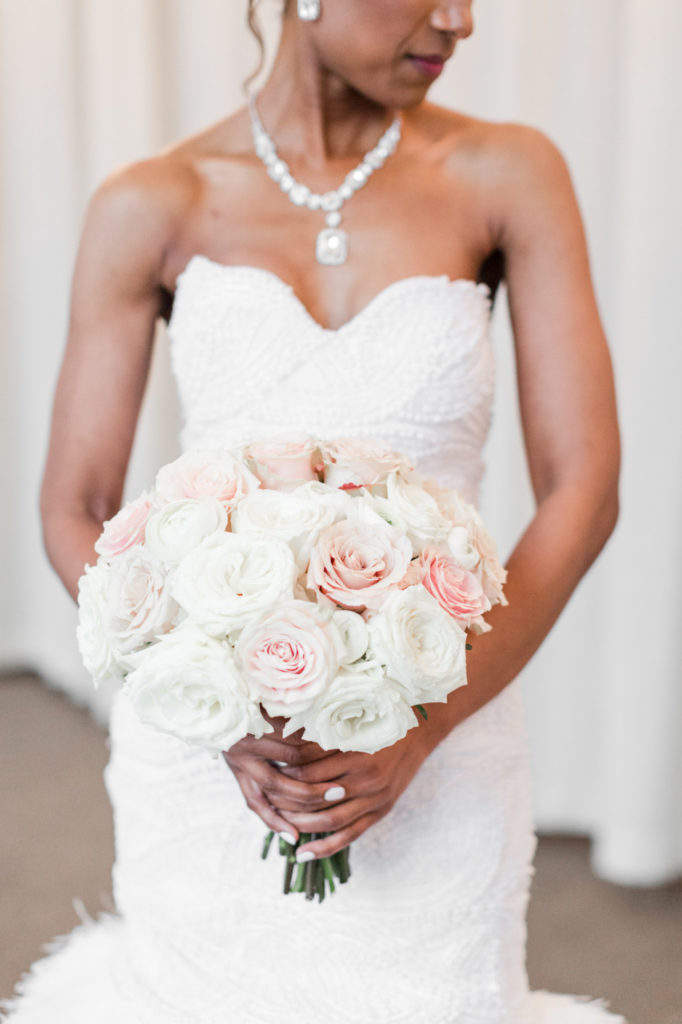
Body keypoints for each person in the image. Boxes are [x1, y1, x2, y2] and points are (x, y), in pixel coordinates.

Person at [3, 1, 623, 1021]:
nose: (458, 18)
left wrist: (422, 726)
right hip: (214, 750)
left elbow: (584, 489)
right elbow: (75, 504)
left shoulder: (510, 175)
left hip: (445, 716)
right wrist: (219, 700)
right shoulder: (151, 200)